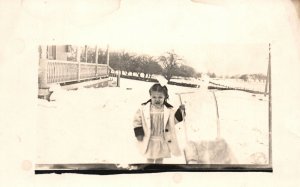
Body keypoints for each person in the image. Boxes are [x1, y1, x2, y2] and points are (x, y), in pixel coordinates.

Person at [132, 83, 185, 164]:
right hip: (149, 138)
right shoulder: (143, 109)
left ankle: (158, 171)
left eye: (160, 97)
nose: (157, 99)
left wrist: (180, 112)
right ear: (150, 96)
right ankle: (149, 171)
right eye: (154, 97)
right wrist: (139, 132)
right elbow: (137, 121)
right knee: (149, 157)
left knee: (160, 159)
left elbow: (173, 121)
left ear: (165, 97)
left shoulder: (168, 110)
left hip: (162, 139)